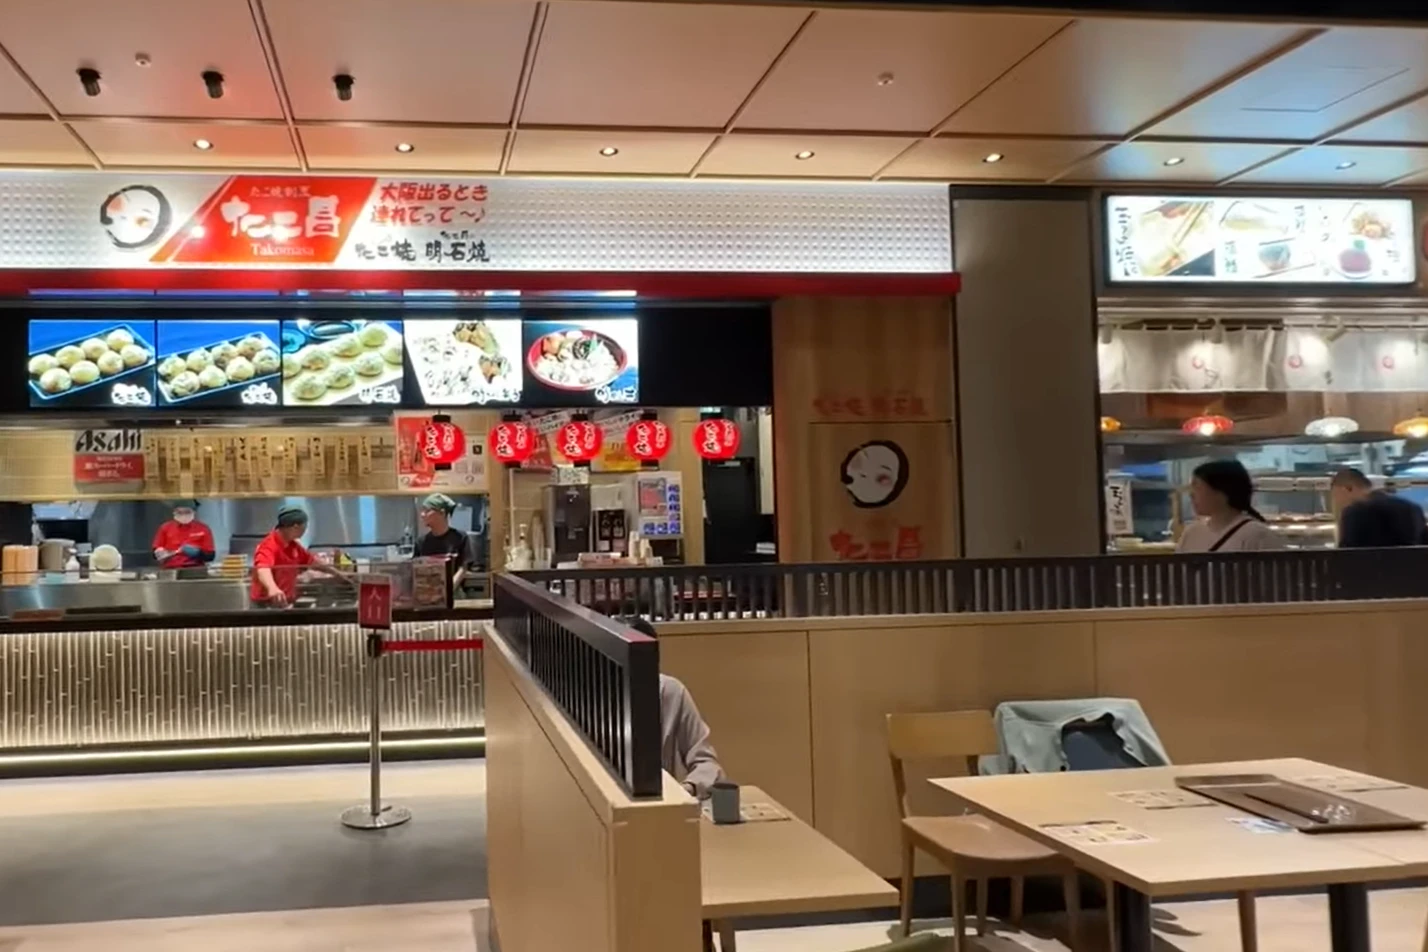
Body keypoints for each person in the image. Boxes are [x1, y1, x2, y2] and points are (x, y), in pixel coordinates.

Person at [623, 617, 725, 799]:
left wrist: (689, 788)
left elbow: (707, 763)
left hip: (660, 807)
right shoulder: (591, 695)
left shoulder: (670, 691)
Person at [250, 506, 349, 607]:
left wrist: (337, 573)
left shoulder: (293, 545)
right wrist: (272, 588)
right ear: (295, 527)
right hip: (265, 605)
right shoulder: (269, 546)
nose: (305, 530)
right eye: (304, 527)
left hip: (284, 603)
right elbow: (262, 569)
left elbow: (312, 561)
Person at [1176, 459, 1284, 552]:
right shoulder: (1191, 533)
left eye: (1197, 487)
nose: (1191, 494)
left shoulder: (1258, 535)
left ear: (1222, 492)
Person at [1332, 468, 1428, 548]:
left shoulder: (1353, 513)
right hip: (1412, 569)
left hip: (1368, 569)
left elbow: (1345, 555)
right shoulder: (1413, 508)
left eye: (1336, 495)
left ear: (1348, 488)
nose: (1338, 501)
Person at [414, 493, 478, 596]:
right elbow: (415, 571)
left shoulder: (460, 538)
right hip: (427, 595)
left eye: (427, 510)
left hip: (454, 593)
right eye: (422, 510)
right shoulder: (421, 542)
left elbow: (463, 568)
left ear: (442, 513)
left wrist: (447, 590)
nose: (422, 514)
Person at [152, 500, 215, 574]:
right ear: (174, 513)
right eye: (179, 512)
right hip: (170, 570)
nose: (183, 515)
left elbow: (210, 556)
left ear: (194, 512)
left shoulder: (203, 529)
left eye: (187, 512)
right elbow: (154, 553)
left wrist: (199, 553)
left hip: (195, 569)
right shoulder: (165, 528)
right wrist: (159, 553)